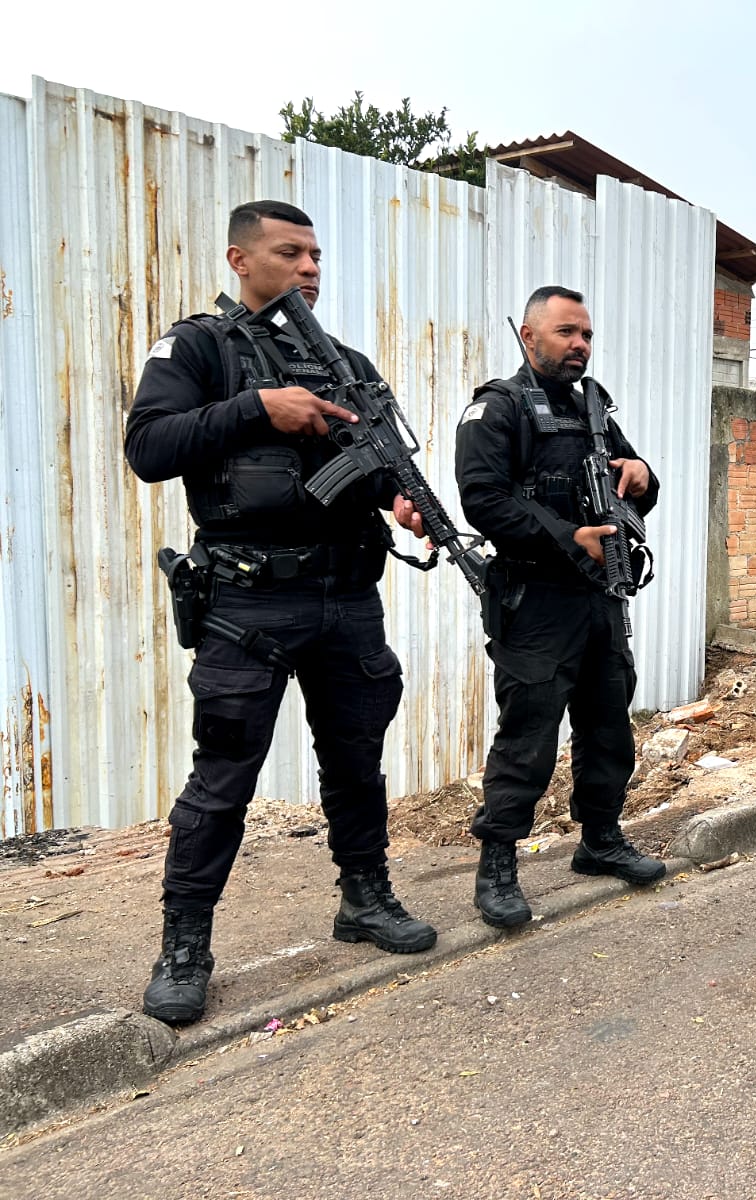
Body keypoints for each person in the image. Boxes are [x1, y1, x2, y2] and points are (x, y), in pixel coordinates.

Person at [125, 200, 437, 1023]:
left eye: (316, 255)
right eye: (291, 253)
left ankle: (365, 897)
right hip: (248, 604)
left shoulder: (345, 362)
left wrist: (401, 502)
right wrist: (259, 409)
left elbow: (376, 469)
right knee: (223, 778)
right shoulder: (197, 347)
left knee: (356, 761)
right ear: (240, 260)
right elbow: (147, 448)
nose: (309, 268)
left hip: (347, 599)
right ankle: (184, 946)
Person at [454, 285, 664, 928]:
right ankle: (498, 865)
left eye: (587, 335)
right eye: (566, 332)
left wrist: (642, 474)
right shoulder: (497, 408)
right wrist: (568, 537)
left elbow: (633, 482)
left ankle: (600, 840)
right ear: (529, 336)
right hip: (537, 601)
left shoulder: (593, 407)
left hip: (601, 597)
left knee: (608, 730)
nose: (580, 345)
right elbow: (483, 500)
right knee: (528, 738)